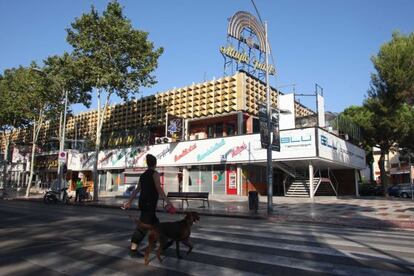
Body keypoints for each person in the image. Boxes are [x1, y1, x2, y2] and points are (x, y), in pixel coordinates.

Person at [122, 154, 175, 257]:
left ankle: (163, 243)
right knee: (142, 228)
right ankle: (133, 250)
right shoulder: (155, 174)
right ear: (155, 164)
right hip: (149, 204)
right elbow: (159, 189)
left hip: (143, 203)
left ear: (147, 164)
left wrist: (129, 201)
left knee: (157, 225)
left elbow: (137, 189)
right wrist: (168, 202)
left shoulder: (143, 175)